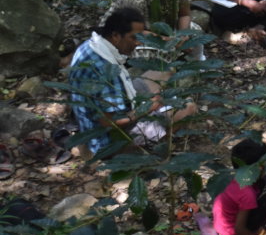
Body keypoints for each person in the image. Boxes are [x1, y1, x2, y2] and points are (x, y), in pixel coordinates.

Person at [68, 8, 197, 157]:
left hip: (109, 109)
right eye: (133, 38)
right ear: (116, 35)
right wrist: (148, 107)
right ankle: (150, 150)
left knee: (166, 72)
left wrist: (169, 41)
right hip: (107, 138)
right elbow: (109, 122)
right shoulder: (106, 70)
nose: (138, 43)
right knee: (188, 107)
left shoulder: (95, 43)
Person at [213, 138, 266, 235]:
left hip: (221, 225)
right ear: (258, 168)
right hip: (232, 233)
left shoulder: (230, 177)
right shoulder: (247, 194)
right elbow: (240, 229)